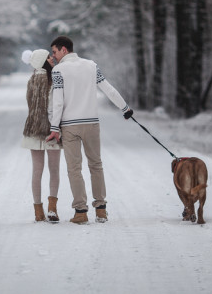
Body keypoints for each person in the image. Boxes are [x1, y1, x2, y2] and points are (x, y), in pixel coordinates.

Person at [46, 36, 133, 224]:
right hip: (92, 124)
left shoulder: (59, 70)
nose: (53, 56)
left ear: (64, 50)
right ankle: (101, 210)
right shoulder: (91, 66)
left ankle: (81, 211)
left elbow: (58, 101)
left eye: (54, 52)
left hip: (70, 126)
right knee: (96, 165)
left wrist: (54, 127)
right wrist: (125, 108)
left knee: (74, 168)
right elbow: (108, 89)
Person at [21, 49, 63, 222]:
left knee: (36, 171)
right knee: (54, 170)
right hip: (50, 131)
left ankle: (38, 211)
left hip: (32, 130)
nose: (52, 59)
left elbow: (29, 103)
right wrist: (56, 128)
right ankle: (52, 208)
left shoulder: (31, 80)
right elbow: (53, 107)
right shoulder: (52, 78)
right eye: (48, 57)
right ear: (42, 61)